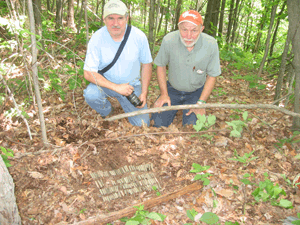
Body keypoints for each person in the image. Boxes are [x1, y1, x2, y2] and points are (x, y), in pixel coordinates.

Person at [83, 0, 153, 126]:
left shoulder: (139, 37)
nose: (115, 23)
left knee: (142, 124)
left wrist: (144, 92)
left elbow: (147, 64)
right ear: (104, 19)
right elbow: (88, 73)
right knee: (91, 94)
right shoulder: (97, 38)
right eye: (111, 18)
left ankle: (126, 103)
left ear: (126, 18)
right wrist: (117, 88)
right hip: (107, 84)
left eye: (120, 18)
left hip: (131, 87)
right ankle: (107, 111)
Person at [151, 10, 221, 127]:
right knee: (157, 123)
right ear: (178, 28)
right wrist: (164, 93)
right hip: (172, 89)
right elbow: (161, 65)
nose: (189, 36)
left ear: (201, 29)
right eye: (184, 30)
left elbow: (212, 75)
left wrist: (201, 102)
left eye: (194, 30)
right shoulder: (169, 40)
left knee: (193, 127)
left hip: (196, 92)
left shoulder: (211, 44)